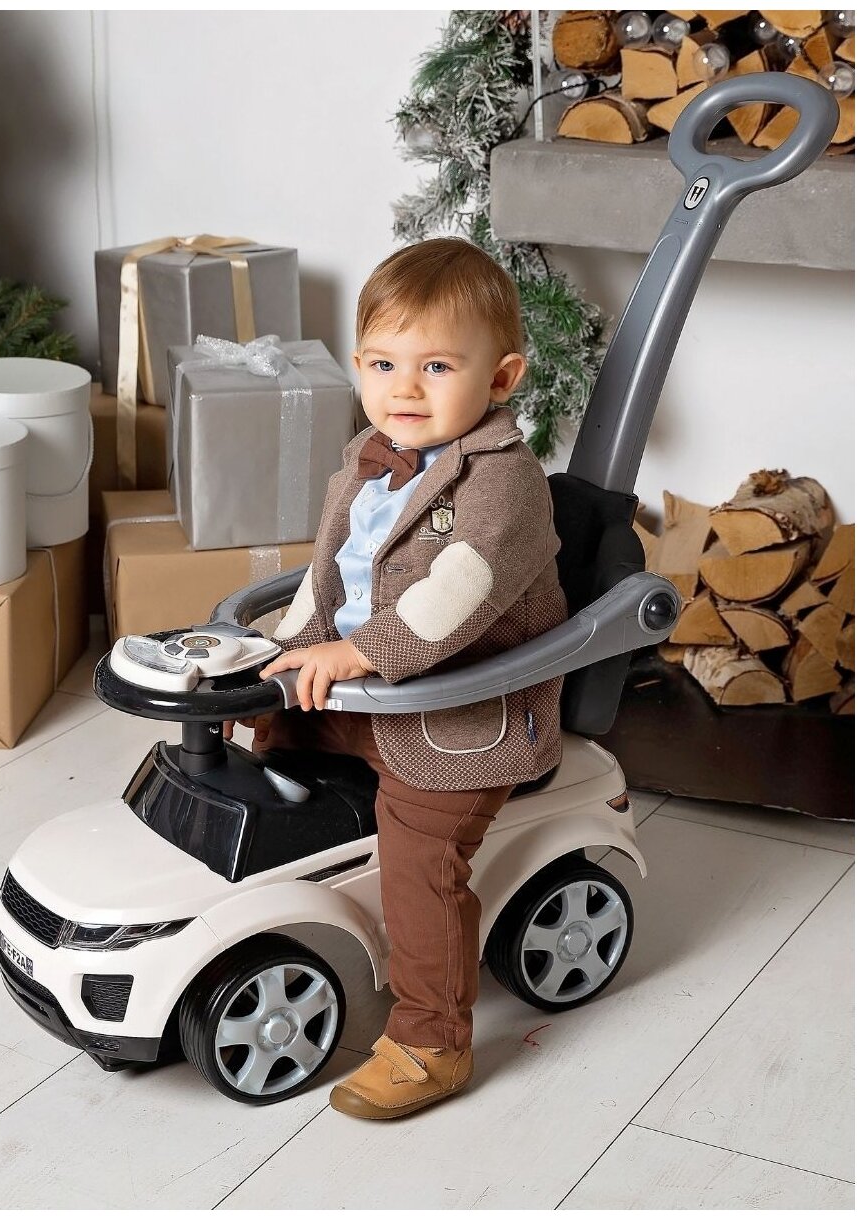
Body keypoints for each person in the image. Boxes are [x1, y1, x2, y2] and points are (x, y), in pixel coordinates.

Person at [224, 236, 568, 1119]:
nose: (404, 388)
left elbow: (456, 595)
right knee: (260, 742)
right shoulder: (370, 456)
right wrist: (281, 657)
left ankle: (430, 1040)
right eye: (383, 364)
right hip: (362, 691)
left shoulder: (504, 485)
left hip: (459, 713)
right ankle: (255, 917)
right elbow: (326, 576)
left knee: (419, 859)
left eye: (436, 366)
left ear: (501, 379)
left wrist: (357, 655)